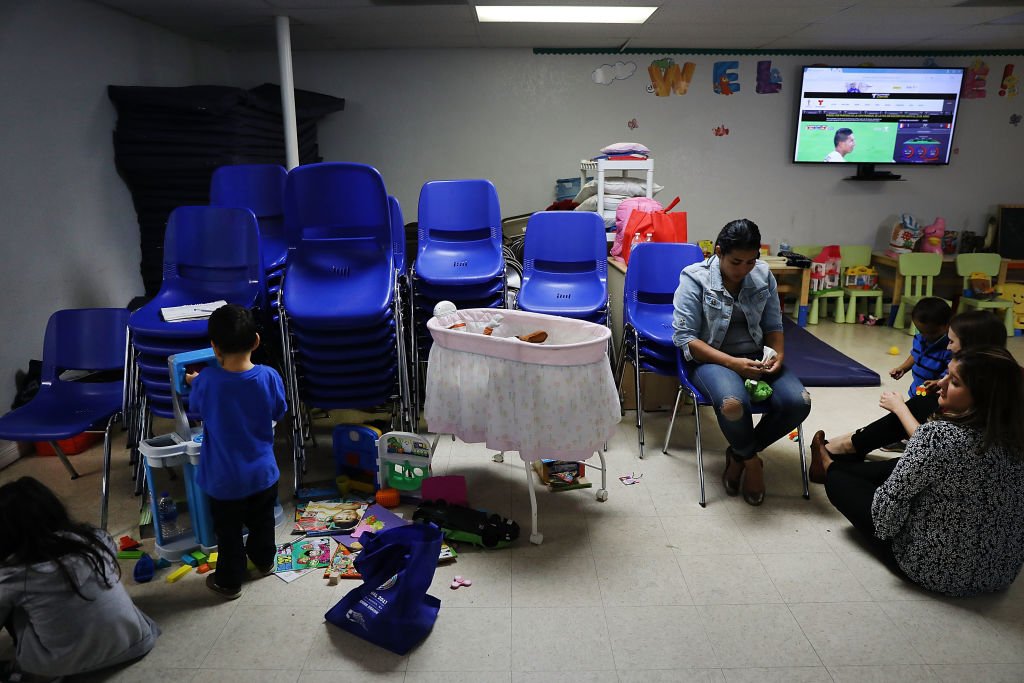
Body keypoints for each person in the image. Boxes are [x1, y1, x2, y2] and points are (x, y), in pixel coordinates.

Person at [809, 347, 1024, 596]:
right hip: (1001, 574)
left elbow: (885, 520)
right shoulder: (1015, 437)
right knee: (907, 467)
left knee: (841, 483)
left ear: (982, 397)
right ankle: (844, 465)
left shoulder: (937, 436)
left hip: (933, 571)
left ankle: (829, 467)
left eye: (954, 382)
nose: (941, 383)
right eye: (946, 374)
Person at [672, 218, 812, 506]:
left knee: (799, 402)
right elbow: (686, 338)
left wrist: (778, 356)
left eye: (751, 262)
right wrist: (733, 364)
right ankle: (751, 463)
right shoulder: (694, 277)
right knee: (733, 404)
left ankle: (737, 453)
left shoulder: (762, 275)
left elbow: (774, 325)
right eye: (736, 262)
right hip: (712, 359)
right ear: (719, 252)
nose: (744, 269)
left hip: (756, 358)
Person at [0, 477, 160, 680]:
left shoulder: (14, 575)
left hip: (65, 666)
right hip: (136, 643)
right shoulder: (95, 539)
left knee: (12, 603)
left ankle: (24, 671)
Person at [186, 303, 287, 600]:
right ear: (256, 341)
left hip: (224, 480)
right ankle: (265, 560)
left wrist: (195, 382)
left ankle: (229, 582)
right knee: (262, 521)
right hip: (263, 474)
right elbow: (278, 410)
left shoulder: (207, 382)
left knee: (228, 533)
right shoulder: (269, 376)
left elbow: (197, 409)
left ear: (214, 347)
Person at [812, 307, 997, 462]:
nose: (948, 347)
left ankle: (845, 451)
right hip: (941, 445)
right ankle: (850, 444)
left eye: (951, 341)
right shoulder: (984, 368)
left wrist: (900, 408)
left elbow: (931, 444)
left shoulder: (978, 404)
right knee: (919, 403)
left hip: (950, 461)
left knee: (843, 480)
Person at [890, 297, 953, 399]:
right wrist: (903, 368)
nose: (925, 336)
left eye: (932, 332)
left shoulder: (949, 347)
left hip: (937, 394)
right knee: (914, 406)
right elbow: (916, 353)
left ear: (948, 325)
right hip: (918, 388)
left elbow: (952, 372)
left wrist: (938, 382)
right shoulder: (920, 338)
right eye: (920, 331)